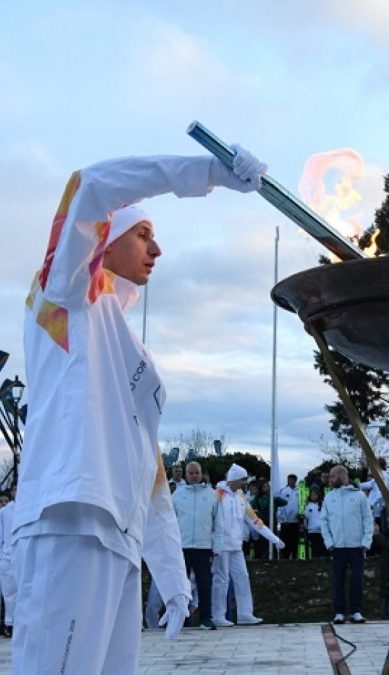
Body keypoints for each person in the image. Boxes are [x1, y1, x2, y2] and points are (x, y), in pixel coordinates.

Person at [13, 146, 265, 674]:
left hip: (119, 539)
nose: (158, 249)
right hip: (69, 521)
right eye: (143, 233)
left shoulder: (128, 346)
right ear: (105, 235)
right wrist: (210, 172)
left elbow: (148, 472)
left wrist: (172, 580)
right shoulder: (62, 297)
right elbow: (90, 184)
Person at [211, 464, 285, 627]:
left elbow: (255, 521)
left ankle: (245, 613)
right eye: (244, 479)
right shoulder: (217, 495)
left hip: (236, 546)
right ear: (235, 479)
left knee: (242, 577)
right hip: (221, 546)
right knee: (221, 581)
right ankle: (217, 615)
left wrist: (274, 538)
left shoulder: (242, 498)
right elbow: (208, 519)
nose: (246, 482)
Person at [321, 465, 373, 624]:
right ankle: (339, 612)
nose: (330, 480)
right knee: (338, 580)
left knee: (357, 580)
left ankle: (356, 611)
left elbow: (368, 519)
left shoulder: (359, 496)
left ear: (343, 476)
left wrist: (366, 542)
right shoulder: (329, 497)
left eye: (332, 477)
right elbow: (324, 522)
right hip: (337, 547)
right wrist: (329, 542)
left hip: (357, 546)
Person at [171, 460, 218, 629]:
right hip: (182, 546)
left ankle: (206, 618)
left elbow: (218, 522)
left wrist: (216, 545)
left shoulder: (211, 495)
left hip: (203, 546)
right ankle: (182, 618)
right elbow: (171, 521)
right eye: (190, 473)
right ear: (185, 474)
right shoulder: (177, 495)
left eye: (197, 473)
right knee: (182, 585)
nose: (194, 476)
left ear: (201, 474)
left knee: (204, 584)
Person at [0, 489, 16, 637]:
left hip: (23, 554)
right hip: (8, 556)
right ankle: (9, 625)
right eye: (16, 490)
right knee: (9, 593)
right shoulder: (5, 512)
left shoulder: (28, 507)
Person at [277, 474, 301, 560]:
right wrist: (283, 518)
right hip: (285, 522)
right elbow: (281, 506)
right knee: (285, 540)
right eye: (289, 480)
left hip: (295, 521)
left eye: (292, 480)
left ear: (295, 480)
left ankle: (295, 557)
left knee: (294, 541)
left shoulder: (299, 491)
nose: (291, 481)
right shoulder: (283, 491)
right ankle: (284, 558)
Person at [304, 486, 326, 559]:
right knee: (314, 548)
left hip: (321, 531)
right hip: (312, 530)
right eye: (312, 495)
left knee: (321, 547)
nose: (313, 496)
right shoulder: (308, 505)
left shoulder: (323, 504)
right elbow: (306, 517)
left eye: (315, 494)